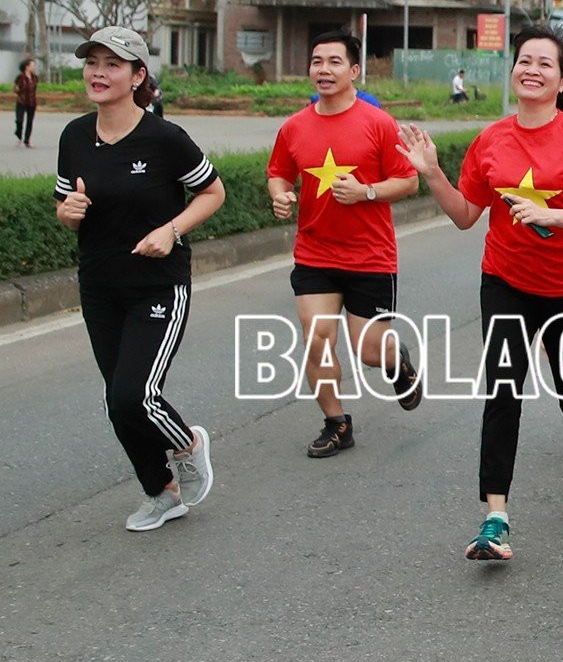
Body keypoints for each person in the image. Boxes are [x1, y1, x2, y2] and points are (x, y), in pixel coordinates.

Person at [396, 26, 563, 562]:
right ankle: (495, 519)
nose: (531, 69)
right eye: (524, 60)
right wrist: (432, 172)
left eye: (544, 64)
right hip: (505, 280)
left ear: (560, 79)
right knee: (503, 391)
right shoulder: (492, 140)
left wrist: (553, 215)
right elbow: (464, 216)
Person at [54, 26, 225, 531]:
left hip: (158, 285)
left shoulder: (164, 138)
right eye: (92, 63)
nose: (98, 73)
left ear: (137, 76)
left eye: (112, 65)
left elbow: (213, 193)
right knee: (117, 401)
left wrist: (171, 230)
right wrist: (71, 211)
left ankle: (188, 444)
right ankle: (161, 492)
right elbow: (64, 208)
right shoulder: (75, 136)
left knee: (134, 395)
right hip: (100, 284)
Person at [267, 32, 423, 458]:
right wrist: (279, 193)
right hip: (315, 253)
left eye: (334, 62)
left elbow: (409, 181)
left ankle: (397, 358)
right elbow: (278, 171)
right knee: (316, 341)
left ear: (354, 71)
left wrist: (366, 193)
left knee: (369, 352)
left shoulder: (379, 123)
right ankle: (336, 423)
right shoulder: (294, 126)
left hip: (370, 256)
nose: (324, 70)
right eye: (317, 62)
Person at [14, 56, 37, 148]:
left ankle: (27, 140)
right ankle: (19, 135)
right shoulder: (20, 77)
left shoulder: (35, 78)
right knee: (19, 120)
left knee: (29, 122)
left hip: (31, 102)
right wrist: (19, 93)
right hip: (21, 102)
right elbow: (15, 87)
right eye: (32, 65)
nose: (34, 67)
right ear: (27, 67)